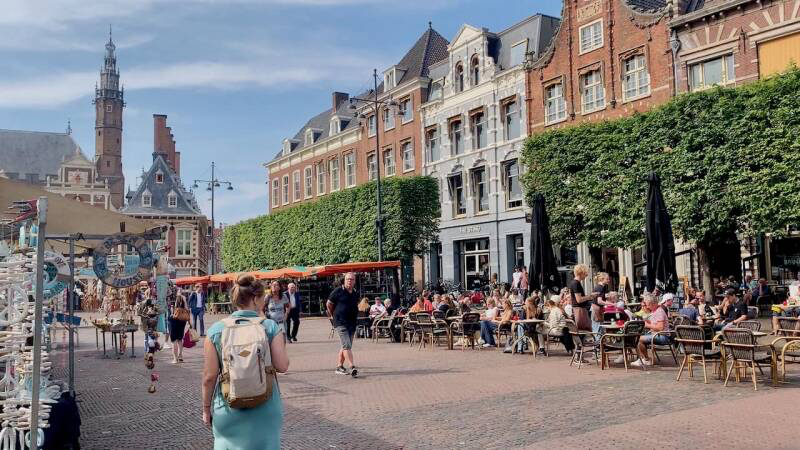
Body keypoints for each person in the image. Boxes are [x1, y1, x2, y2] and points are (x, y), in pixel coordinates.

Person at [202, 274, 288, 450]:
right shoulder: (270, 327)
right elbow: (282, 366)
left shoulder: (216, 331)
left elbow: (209, 377)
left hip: (227, 407)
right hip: (265, 406)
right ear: (256, 299)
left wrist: (206, 408)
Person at [327, 272, 360, 376]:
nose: (349, 281)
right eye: (348, 279)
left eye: (352, 279)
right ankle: (351, 366)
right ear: (344, 280)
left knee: (345, 346)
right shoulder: (337, 291)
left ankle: (339, 366)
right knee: (347, 345)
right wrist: (333, 316)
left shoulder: (355, 293)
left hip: (352, 323)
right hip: (340, 322)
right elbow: (329, 304)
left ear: (355, 281)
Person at [632, 295, 671, 367]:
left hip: (663, 336)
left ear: (651, 304)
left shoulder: (659, 312)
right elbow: (656, 323)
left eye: (647, 305)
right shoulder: (656, 310)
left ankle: (646, 360)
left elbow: (660, 328)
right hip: (658, 334)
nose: (647, 307)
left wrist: (647, 325)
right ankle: (643, 358)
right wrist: (648, 321)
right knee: (636, 337)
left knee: (639, 339)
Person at [569, 264, 592, 331]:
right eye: (585, 273)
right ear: (581, 273)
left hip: (579, 309)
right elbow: (579, 300)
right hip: (579, 310)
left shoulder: (574, 283)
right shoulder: (576, 283)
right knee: (584, 330)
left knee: (584, 330)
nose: (586, 275)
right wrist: (589, 297)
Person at [169, 292, 189, 364]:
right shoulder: (184, 307)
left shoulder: (174, 302)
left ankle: (175, 358)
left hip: (174, 321)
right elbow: (187, 309)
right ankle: (180, 356)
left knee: (174, 340)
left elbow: (173, 312)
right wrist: (184, 300)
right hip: (182, 321)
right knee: (180, 340)